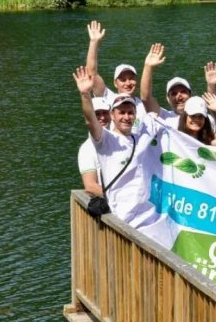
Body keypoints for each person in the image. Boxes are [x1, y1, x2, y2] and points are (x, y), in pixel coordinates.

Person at [73, 66, 176, 246]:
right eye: (121, 112)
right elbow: (90, 121)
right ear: (112, 115)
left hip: (151, 221)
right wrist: (85, 95)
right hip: (124, 223)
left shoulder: (141, 137)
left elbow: (147, 98)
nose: (126, 117)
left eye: (130, 112)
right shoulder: (106, 141)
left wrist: (149, 67)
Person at [83, 21, 147, 123]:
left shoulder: (144, 105)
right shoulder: (108, 98)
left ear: (136, 81)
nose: (128, 83)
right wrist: (94, 42)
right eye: (122, 79)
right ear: (115, 83)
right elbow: (91, 73)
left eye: (131, 78)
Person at [78, 97, 111, 196]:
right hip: (111, 206)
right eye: (97, 114)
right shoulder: (86, 149)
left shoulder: (120, 140)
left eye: (105, 113)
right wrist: (117, 201)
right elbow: (90, 186)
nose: (102, 117)